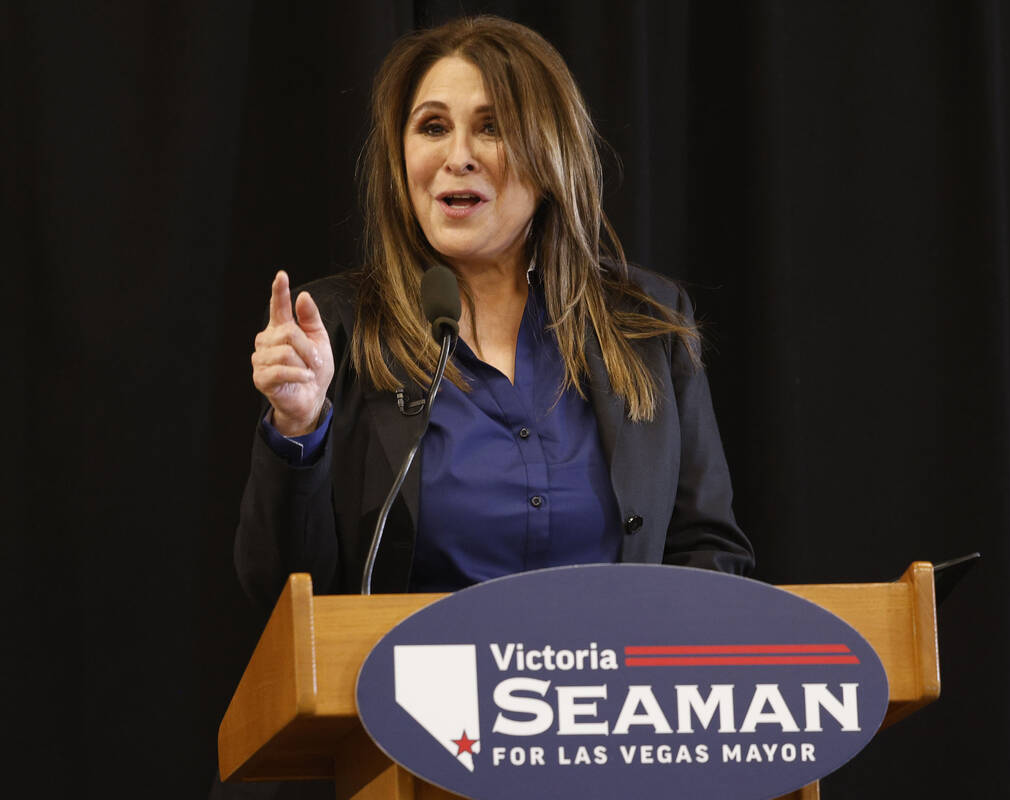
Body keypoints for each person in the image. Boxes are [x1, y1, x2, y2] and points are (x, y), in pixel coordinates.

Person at [235, 15, 753, 613]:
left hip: (613, 696)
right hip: (409, 699)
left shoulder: (645, 323)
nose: (458, 156)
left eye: (492, 128)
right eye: (432, 127)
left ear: (550, 154)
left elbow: (709, 550)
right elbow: (282, 597)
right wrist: (297, 428)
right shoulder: (336, 328)